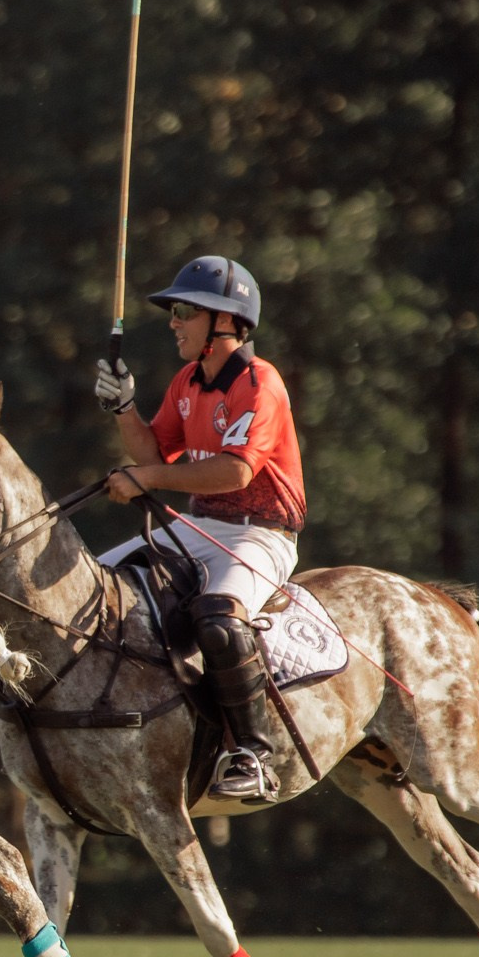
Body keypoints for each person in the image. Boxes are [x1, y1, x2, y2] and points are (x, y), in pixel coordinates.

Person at [92, 256, 305, 801]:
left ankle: (254, 755)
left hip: (261, 533)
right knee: (95, 589)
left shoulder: (260, 384)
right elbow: (157, 450)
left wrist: (146, 479)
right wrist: (125, 409)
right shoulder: (188, 381)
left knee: (219, 621)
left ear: (225, 323)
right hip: (200, 524)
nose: (173, 322)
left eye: (184, 311)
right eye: (174, 311)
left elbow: (236, 470)